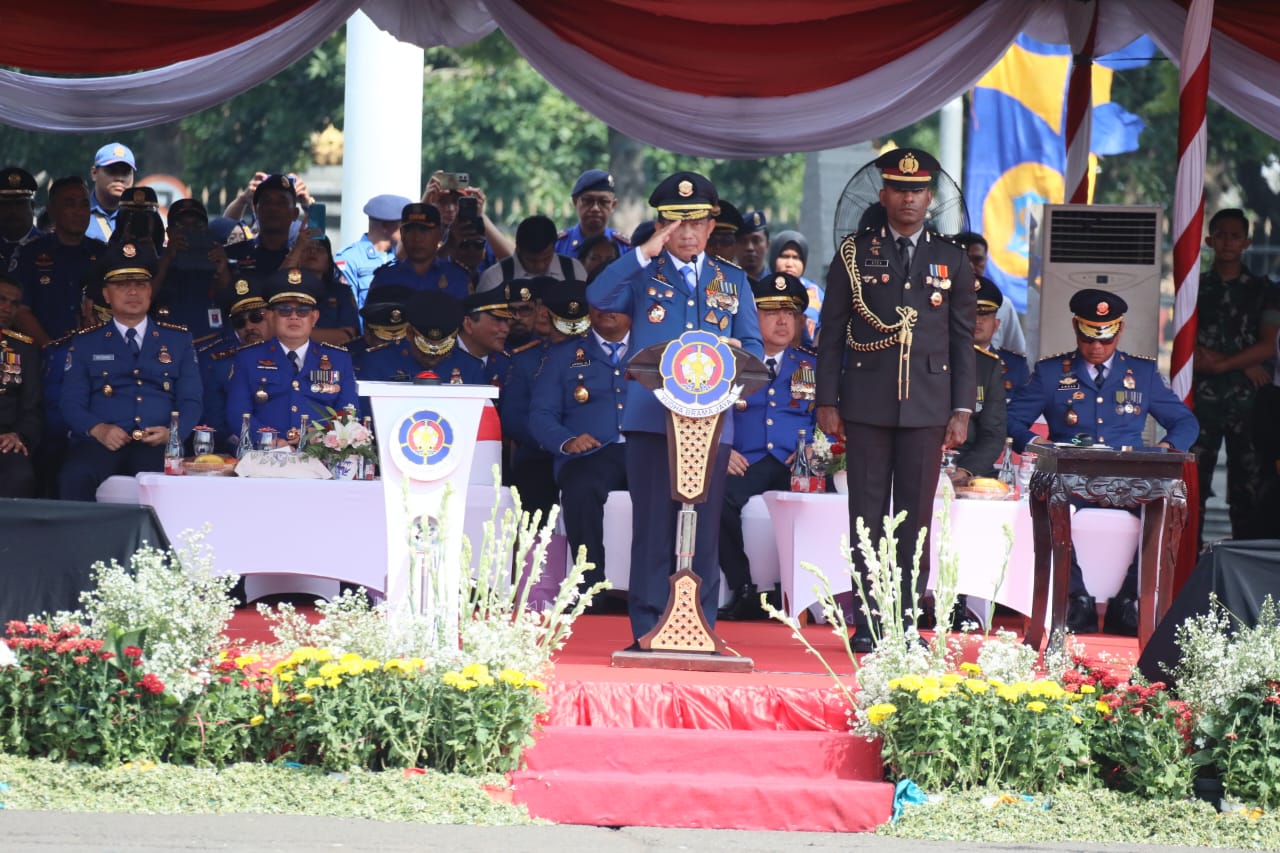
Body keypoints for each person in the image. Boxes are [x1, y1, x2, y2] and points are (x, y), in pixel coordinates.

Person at [587, 170, 763, 647]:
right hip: (650, 421)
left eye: (695, 224)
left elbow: (753, 347)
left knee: (702, 532)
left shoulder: (732, 280)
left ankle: (699, 627)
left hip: (709, 426)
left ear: (710, 227)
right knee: (652, 529)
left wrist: (731, 355)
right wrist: (641, 253)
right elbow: (598, 298)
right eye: (674, 225)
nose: (686, 234)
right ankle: (647, 628)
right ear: (662, 226)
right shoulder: (644, 274)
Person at [815, 148, 976, 653]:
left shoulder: (951, 259)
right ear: (883, 194)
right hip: (864, 402)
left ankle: (905, 621)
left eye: (918, 190)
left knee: (915, 517)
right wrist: (826, 399)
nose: (909, 198)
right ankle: (867, 619)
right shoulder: (854, 253)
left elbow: (962, 339)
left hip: (929, 406)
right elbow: (832, 331)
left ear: (930, 197)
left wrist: (962, 409)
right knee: (865, 515)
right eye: (899, 189)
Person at [1007, 288, 1199, 635]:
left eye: (1105, 339)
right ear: (1076, 329)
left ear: (1119, 330)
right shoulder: (1052, 373)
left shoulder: (1140, 373)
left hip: (1129, 477)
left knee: (1166, 506)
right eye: (1088, 338)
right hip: (1070, 474)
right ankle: (1074, 598)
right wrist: (1041, 445)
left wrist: (1164, 450)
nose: (1097, 347)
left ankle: (1129, 602)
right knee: (1045, 500)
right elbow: (1011, 420)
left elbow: (1186, 422)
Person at [58, 247, 202, 501]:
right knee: (74, 476)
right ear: (106, 294)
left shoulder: (178, 340)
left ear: (150, 291)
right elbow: (70, 402)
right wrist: (97, 428)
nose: (133, 292)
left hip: (158, 443)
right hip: (102, 442)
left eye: (140, 284)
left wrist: (173, 434)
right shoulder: (86, 343)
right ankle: (81, 541)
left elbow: (191, 399)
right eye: (122, 285)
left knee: (166, 488)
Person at [718, 272, 816, 621]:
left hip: (798, 462)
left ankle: (797, 591)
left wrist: (816, 450)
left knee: (821, 505)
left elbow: (833, 420)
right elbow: (708, 413)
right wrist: (721, 451)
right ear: (751, 316)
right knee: (716, 496)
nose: (782, 320)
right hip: (747, 460)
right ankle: (742, 587)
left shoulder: (813, 364)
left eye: (790, 312)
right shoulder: (731, 362)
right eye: (771, 311)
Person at [528, 300, 632, 605]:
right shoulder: (563, 356)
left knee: (666, 491)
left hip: (645, 449)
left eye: (617, 303)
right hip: (591, 453)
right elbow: (540, 415)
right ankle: (590, 585)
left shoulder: (653, 352)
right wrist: (567, 440)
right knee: (580, 488)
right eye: (598, 302)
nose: (607, 309)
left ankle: (653, 588)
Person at [1191, 209, 1280, 543]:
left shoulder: (1263, 290)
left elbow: (1269, 346)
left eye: (1235, 235)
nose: (1228, 242)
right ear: (1209, 240)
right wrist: (1244, 360)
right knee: (1194, 487)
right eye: (1221, 235)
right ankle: (1190, 564)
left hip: (1249, 403)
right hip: (1202, 401)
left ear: (1247, 242)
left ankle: (1244, 563)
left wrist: (1224, 364)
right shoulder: (1195, 287)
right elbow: (1190, 349)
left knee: (1249, 489)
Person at [224, 268, 357, 448]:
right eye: (284, 310)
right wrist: (271, 441)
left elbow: (349, 413)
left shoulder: (339, 360)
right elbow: (237, 413)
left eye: (302, 310)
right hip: (265, 457)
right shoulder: (248, 358)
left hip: (321, 456)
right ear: (271, 317)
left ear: (314, 317)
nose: (294, 316)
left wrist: (320, 436)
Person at [10, 176, 107, 346]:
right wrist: (52, 349)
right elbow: (19, 310)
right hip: (43, 357)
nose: (79, 211)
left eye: (84, 204)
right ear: (52, 210)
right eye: (70, 204)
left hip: (97, 355)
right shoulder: (30, 254)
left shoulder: (104, 255)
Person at [199, 274, 273, 452]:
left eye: (256, 317)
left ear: (272, 316)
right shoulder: (222, 364)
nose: (248, 327)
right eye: (240, 322)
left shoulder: (293, 355)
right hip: (239, 450)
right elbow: (214, 420)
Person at [151, 198, 234, 346]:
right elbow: (144, 300)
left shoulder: (213, 257)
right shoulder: (159, 263)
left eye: (197, 225)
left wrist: (223, 268)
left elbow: (231, 302)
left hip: (210, 342)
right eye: (180, 226)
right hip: (168, 344)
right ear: (169, 232)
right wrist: (167, 259)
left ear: (206, 230)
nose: (190, 230)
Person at [951, 278, 1009, 481]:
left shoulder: (986, 365)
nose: (976, 320)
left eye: (984, 315)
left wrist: (965, 469)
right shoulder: (913, 356)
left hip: (967, 467)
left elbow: (993, 433)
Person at [366, 203, 470, 300]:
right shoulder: (385, 278)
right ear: (402, 234)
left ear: (439, 234)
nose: (417, 238)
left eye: (424, 230)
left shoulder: (457, 277)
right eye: (410, 230)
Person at [0, 274, 42, 497]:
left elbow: (32, 408)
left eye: (13, 303)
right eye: (1, 299)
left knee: (19, 475)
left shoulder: (24, 349)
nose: (7, 307)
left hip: (4, 440)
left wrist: (19, 435)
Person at [953, 231, 1027, 356]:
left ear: (986, 261)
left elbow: (1017, 354)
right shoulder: (935, 301)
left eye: (977, 259)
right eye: (963, 259)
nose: (970, 266)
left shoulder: (1003, 305)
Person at [335, 193, 411, 310]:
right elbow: (348, 312)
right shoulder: (349, 259)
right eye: (405, 225)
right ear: (386, 226)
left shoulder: (403, 257)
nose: (411, 231)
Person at [223, 174, 309, 277]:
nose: (273, 208)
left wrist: (309, 204)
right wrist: (242, 199)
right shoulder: (237, 254)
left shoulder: (305, 256)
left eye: (282, 203)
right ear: (256, 210)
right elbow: (222, 230)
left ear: (295, 214)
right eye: (266, 201)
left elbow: (319, 237)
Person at [477, 215, 586, 293]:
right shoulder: (494, 279)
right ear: (518, 248)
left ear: (554, 247)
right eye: (532, 261)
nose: (540, 266)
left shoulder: (574, 271)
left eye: (546, 259)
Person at [432, 287, 513, 388]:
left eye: (506, 321)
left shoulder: (508, 363)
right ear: (468, 324)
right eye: (497, 320)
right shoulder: (437, 358)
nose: (506, 329)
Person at [295, 235, 359, 346]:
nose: (313, 251)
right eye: (306, 248)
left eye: (320, 249)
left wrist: (295, 334)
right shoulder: (286, 292)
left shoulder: (341, 293)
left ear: (328, 262)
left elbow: (347, 336)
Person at [554, 169, 630, 258]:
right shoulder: (556, 245)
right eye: (588, 201)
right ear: (575, 202)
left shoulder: (625, 249)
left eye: (603, 202)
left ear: (613, 205)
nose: (595, 208)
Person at [769, 229, 824, 347]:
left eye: (796, 257)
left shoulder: (816, 293)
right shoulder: (761, 291)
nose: (790, 263)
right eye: (784, 256)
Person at [85, 143, 136, 242]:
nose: (120, 178)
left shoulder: (144, 216)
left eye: (126, 172)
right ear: (94, 173)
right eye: (112, 170)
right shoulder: (78, 213)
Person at [0, 166, 40, 270]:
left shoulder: (51, 248)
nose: (13, 210)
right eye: (5, 204)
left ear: (32, 207)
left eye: (20, 203)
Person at [737, 209, 769, 282]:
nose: (750, 248)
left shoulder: (776, 283)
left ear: (767, 244)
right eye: (743, 241)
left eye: (756, 241)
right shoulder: (725, 282)